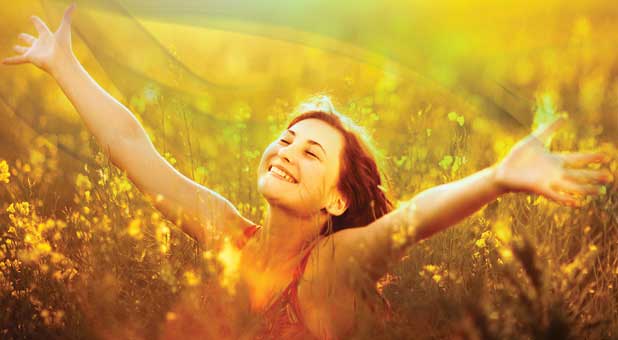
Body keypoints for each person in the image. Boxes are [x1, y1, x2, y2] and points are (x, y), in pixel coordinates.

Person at [3, 4, 614, 339]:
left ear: (338, 203)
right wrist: (64, 64)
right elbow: (134, 147)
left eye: (312, 153)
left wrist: (500, 177)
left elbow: (413, 218)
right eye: (287, 139)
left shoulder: (329, 269)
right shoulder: (224, 233)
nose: (288, 151)